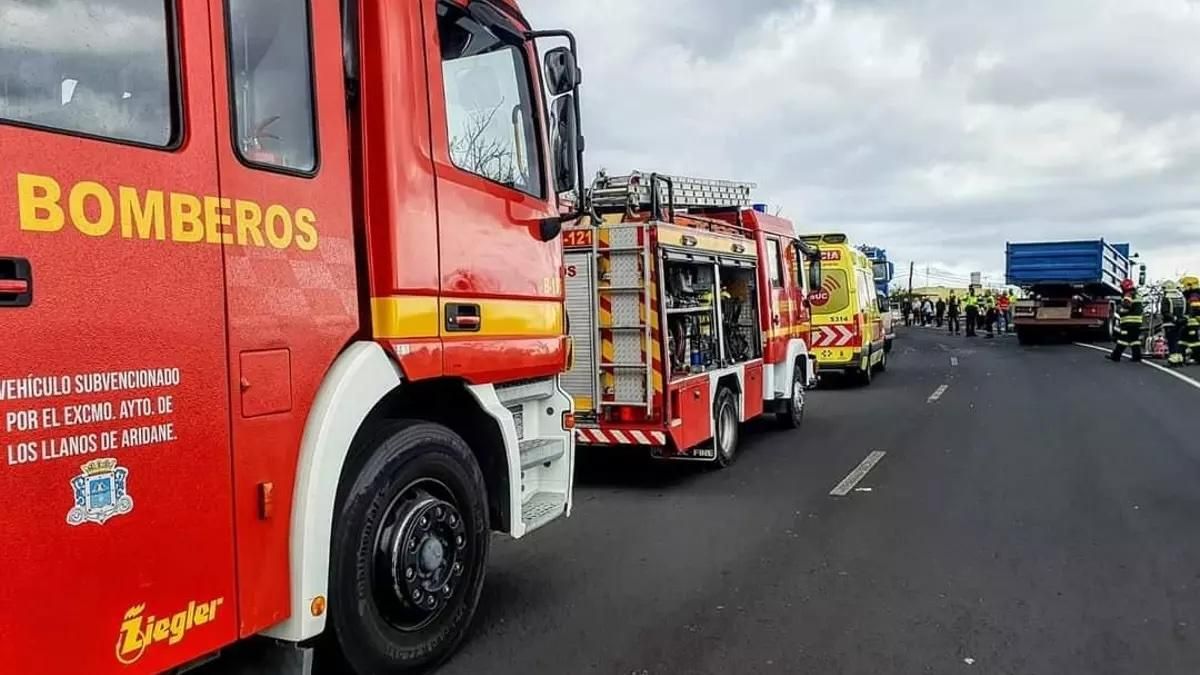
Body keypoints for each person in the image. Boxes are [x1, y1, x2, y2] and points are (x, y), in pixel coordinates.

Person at [1109, 278, 1144, 362]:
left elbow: (1126, 306)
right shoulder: (1137, 294)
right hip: (1137, 322)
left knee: (1122, 339)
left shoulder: (1128, 295)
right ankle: (1137, 357)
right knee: (1134, 340)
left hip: (1128, 322)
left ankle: (1115, 356)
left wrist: (1120, 310)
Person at [1160, 280, 1186, 366]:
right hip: (1181, 323)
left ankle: (1173, 360)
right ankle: (1179, 359)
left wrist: (1173, 318)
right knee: (1178, 341)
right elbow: (1187, 309)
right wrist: (1182, 318)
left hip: (1170, 323)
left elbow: (1165, 311)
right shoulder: (1181, 297)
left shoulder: (1166, 298)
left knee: (1171, 342)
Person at [1182, 276, 1200, 364]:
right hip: (1190, 322)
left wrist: (1190, 317)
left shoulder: (1194, 295)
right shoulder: (1192, 294)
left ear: (1190, 285)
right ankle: (1181, 356)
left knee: (1194, 342)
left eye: (1185, 285)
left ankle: (1197, 357)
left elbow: (1195, 308)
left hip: (1193, 322)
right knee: (1183, 340)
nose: (1184, 287)